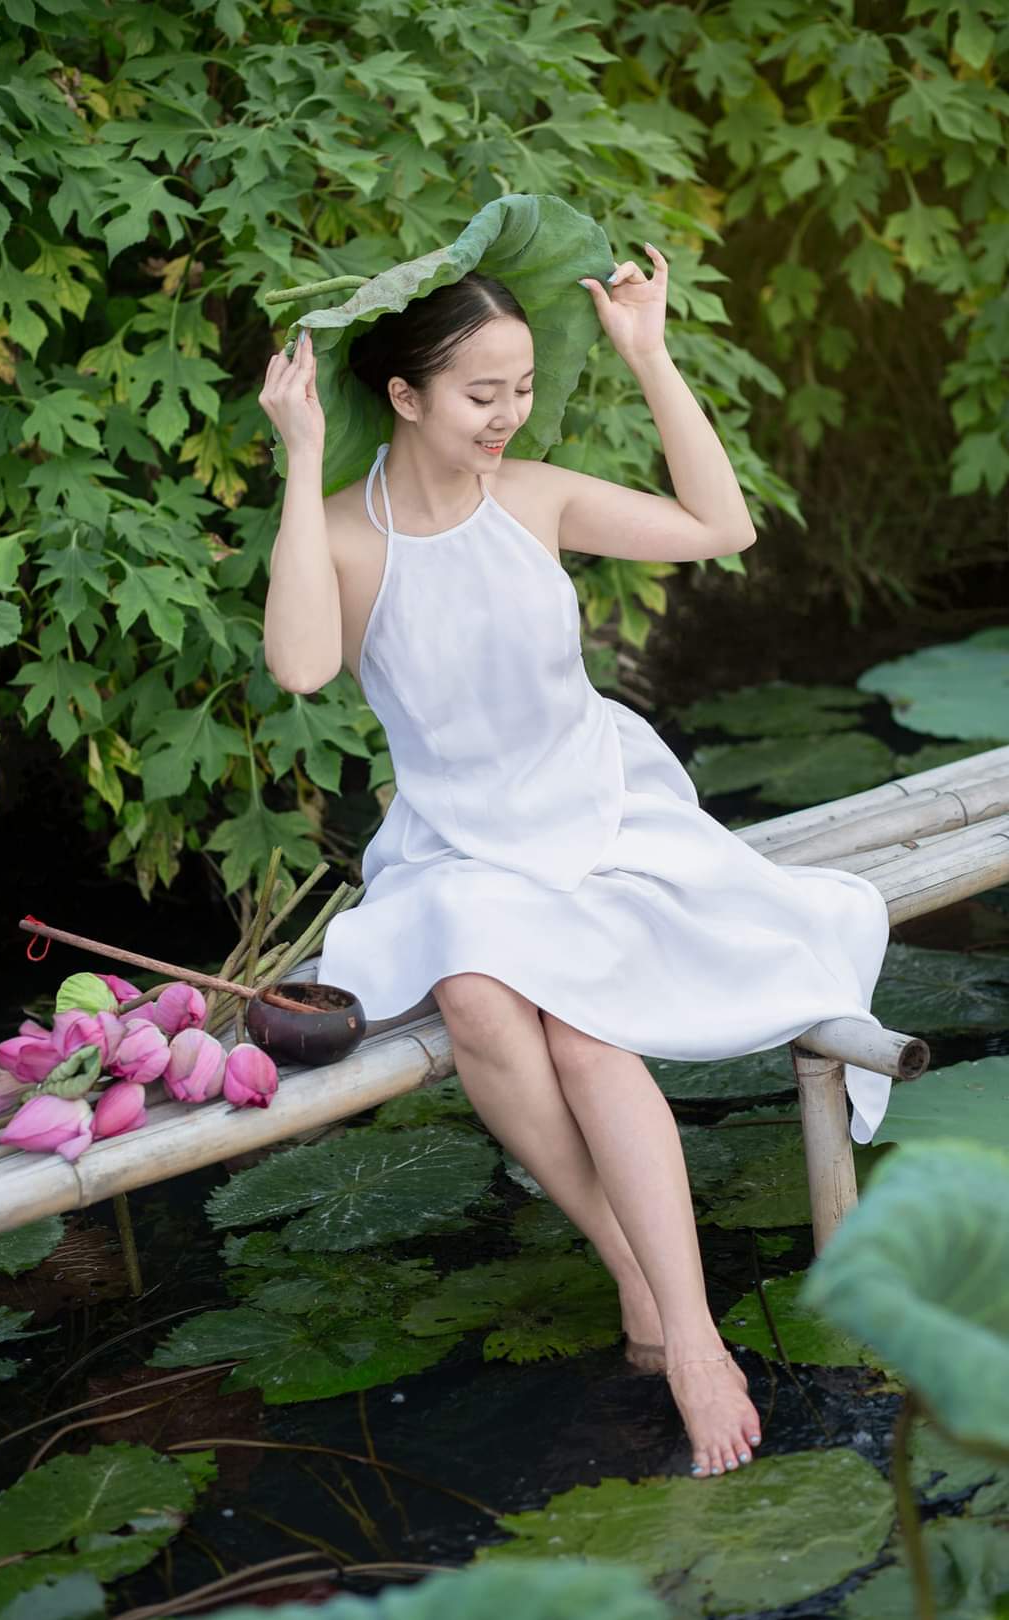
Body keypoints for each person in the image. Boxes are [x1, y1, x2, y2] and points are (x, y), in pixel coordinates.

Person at [258, 244, 889, 1481]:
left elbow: (722, 524)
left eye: (523, 387)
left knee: (587, 1027)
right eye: (481, 394)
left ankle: (690, 1336)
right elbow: (299, 669)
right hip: (458, 839)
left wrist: (651, 354)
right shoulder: (342, 532)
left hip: (595, 807)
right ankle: (638, 1278)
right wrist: (292, 460)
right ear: (405, 397)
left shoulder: (533, 496)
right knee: (485, 1001)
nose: (507, 415)